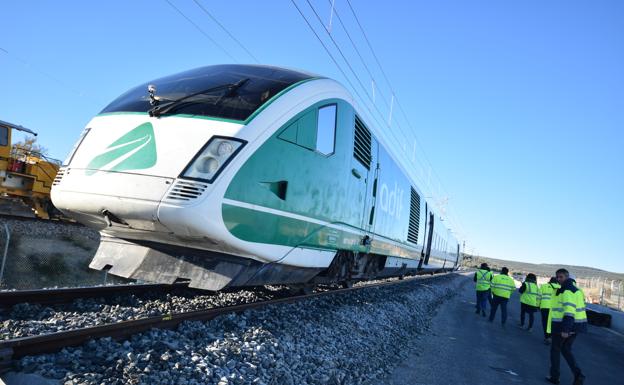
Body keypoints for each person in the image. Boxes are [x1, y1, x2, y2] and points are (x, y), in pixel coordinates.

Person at [545, 269, 587, 385]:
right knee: (566, 350)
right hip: (575, 327)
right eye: (557, 277)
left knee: (555, 351)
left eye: (561, 277)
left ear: (567, 277)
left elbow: (569, 311)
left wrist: (566, 329)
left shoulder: (567, 291)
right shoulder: (576, 290)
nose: (558, 279)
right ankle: (579, 375)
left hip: (563, 327)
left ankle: (555, 377)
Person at [539, 277, 561, 344]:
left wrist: (537, 305)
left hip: (545, 307)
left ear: (550, 281)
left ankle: (547, 337)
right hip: (555, 309)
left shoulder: (544, 286)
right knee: (553, 323)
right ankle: (553, 337)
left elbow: (539, 296)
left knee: (545, 323)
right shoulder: (560, 287)